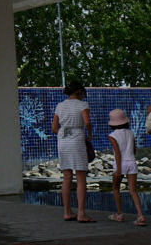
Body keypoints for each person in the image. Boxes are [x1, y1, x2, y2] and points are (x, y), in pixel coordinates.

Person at [51, 81, 94, 223]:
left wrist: (64, 133)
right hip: (77, 138)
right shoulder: (83, 105)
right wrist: (89, 134)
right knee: (81, 176)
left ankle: (67, 212)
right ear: (79, 92)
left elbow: (54, 128)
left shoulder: (60, 105)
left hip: (62, 140)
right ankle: (81, 213)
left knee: (67, 176)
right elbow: (87, 122)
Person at [107, 109, 147, 226]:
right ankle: (140, 215)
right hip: (131, 162)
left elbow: (117, 153)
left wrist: (118, 169)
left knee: (115, 189)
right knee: (133, 190)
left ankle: (119, 214)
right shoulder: (130, 133)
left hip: (120, 164)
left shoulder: (112, 135)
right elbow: (134, 150)